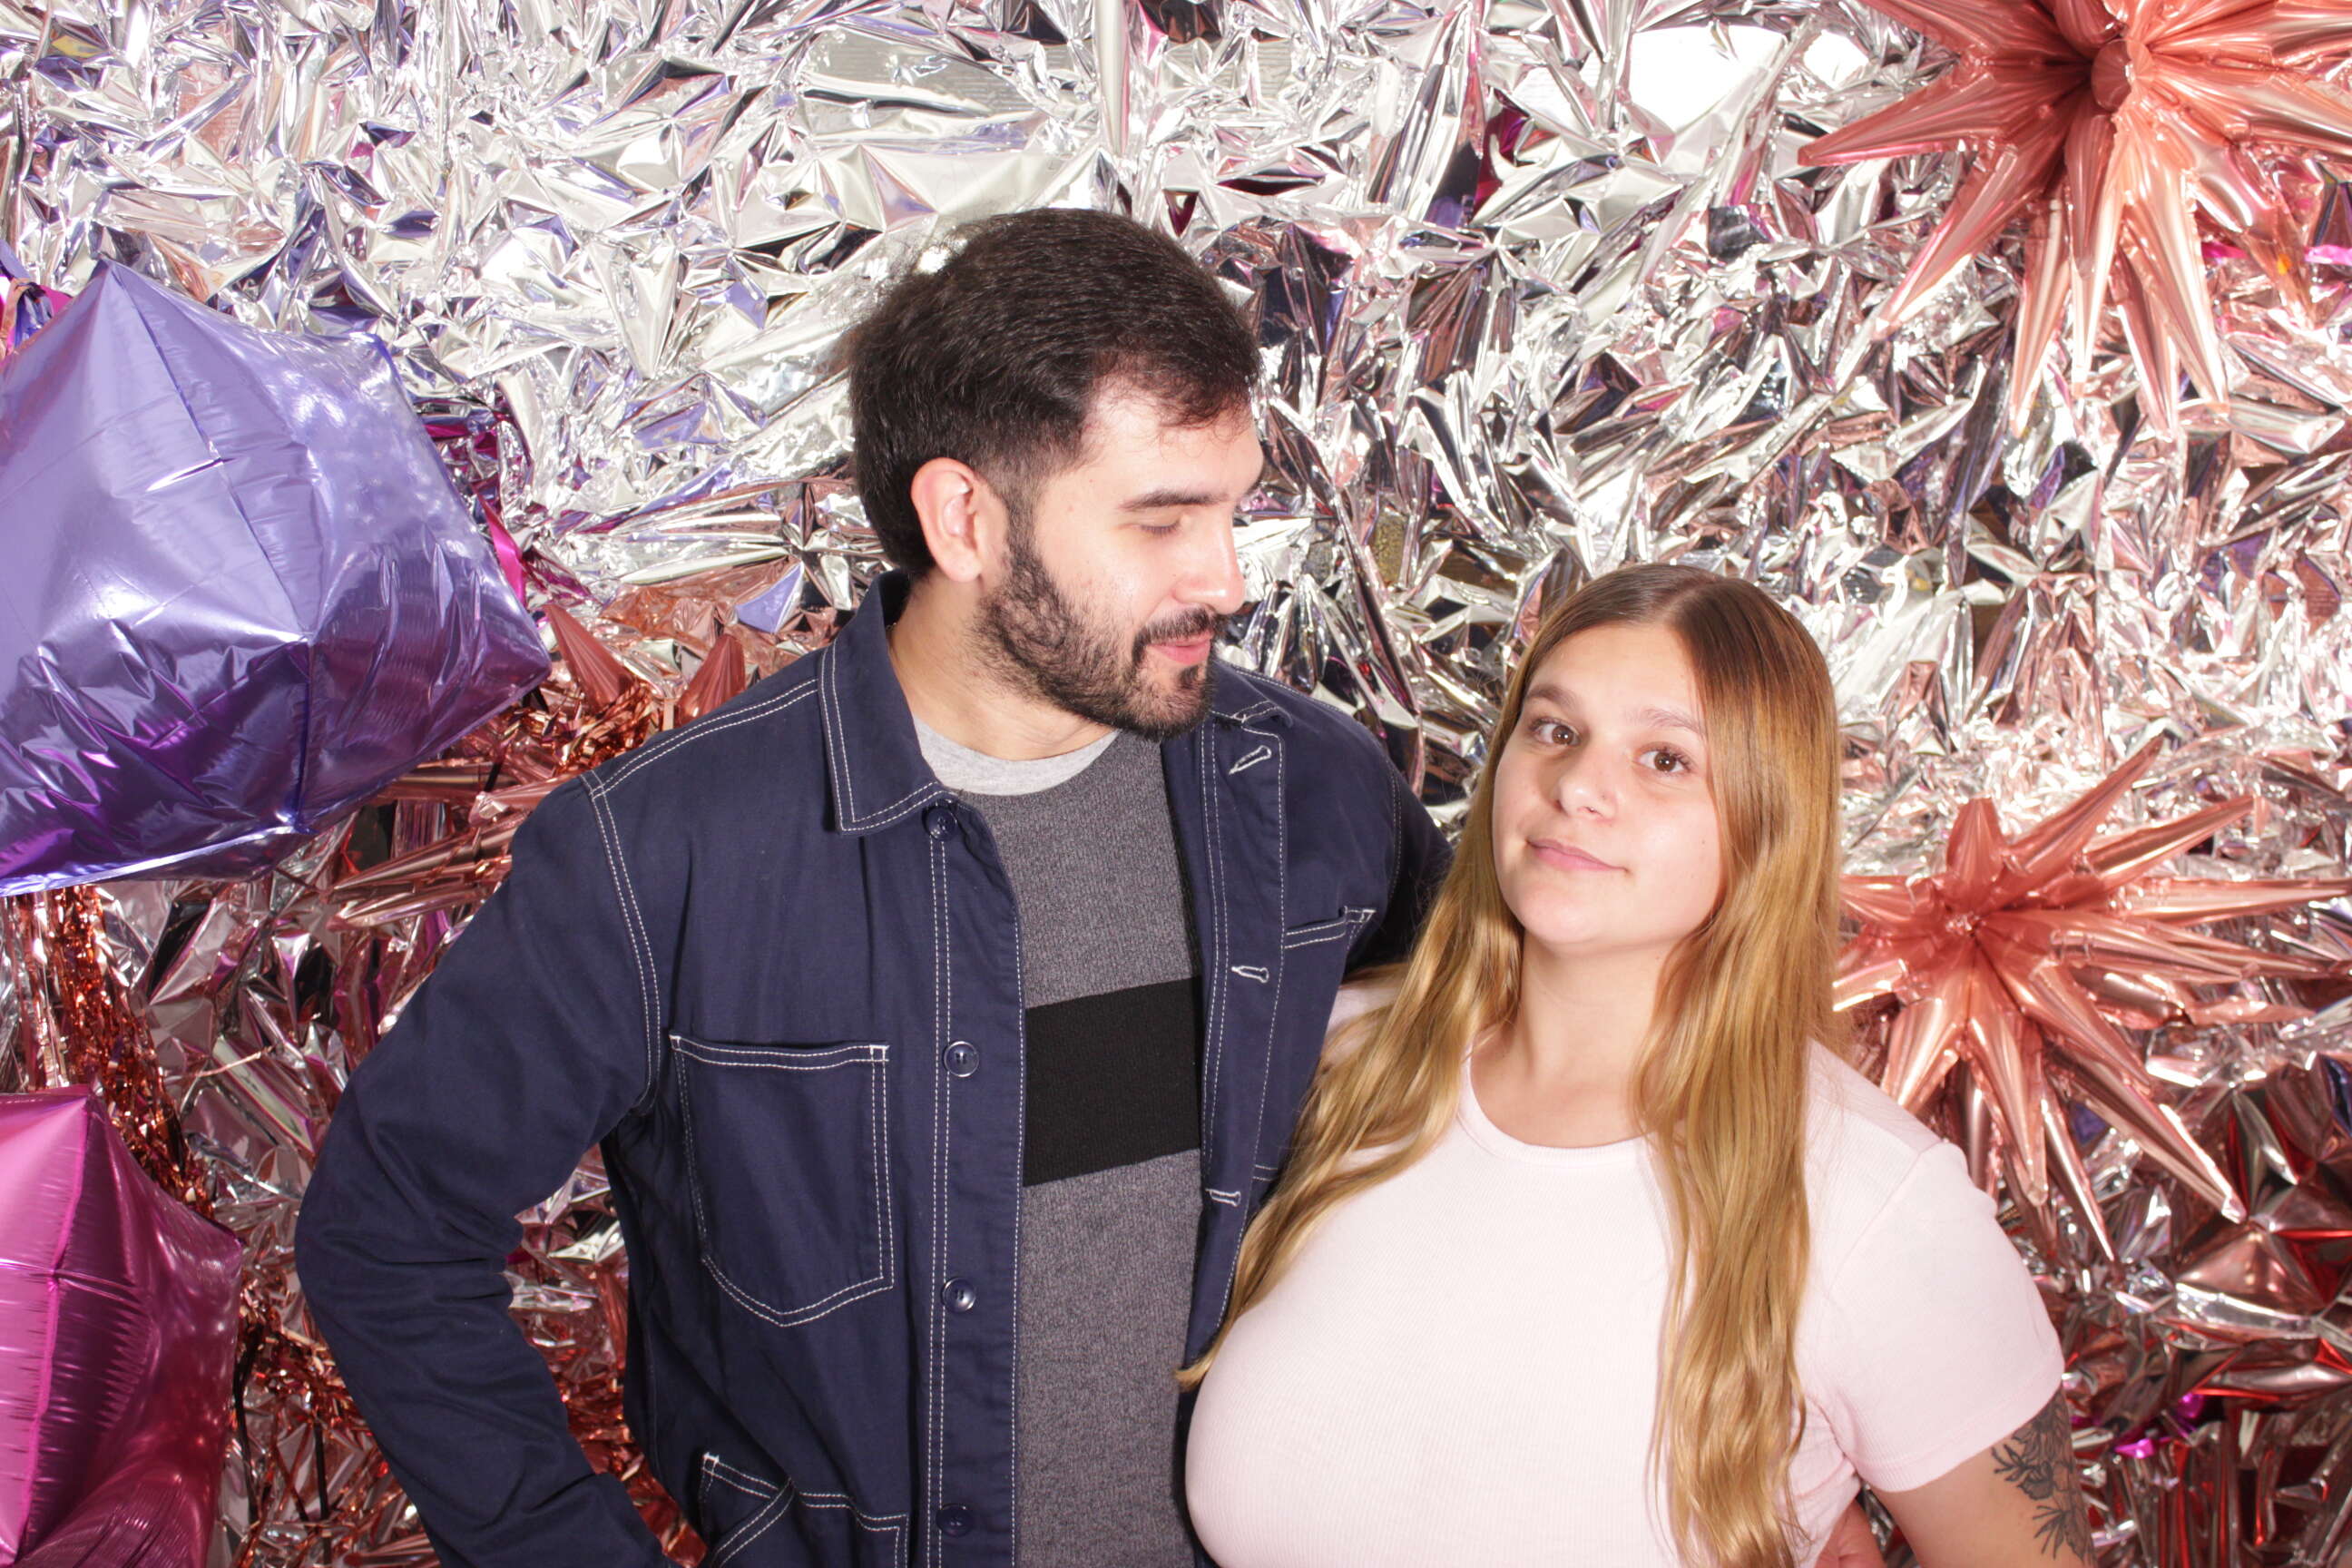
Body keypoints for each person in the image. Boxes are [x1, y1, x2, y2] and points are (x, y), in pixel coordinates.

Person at [295, 209, 1450, 1568]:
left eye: (1231, 508)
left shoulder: (1314, 790)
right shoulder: (663, 850)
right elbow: (389, 1232)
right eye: (1162, 520)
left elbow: (1492, 1116)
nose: (1228, 578)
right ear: (965, 519)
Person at [1183, 564, 2087, 1566]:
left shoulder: (1875, 1208)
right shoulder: (1335, 1059)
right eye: (1554, 728)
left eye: (1664, 759)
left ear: (1766, 819)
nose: (1576, 785)